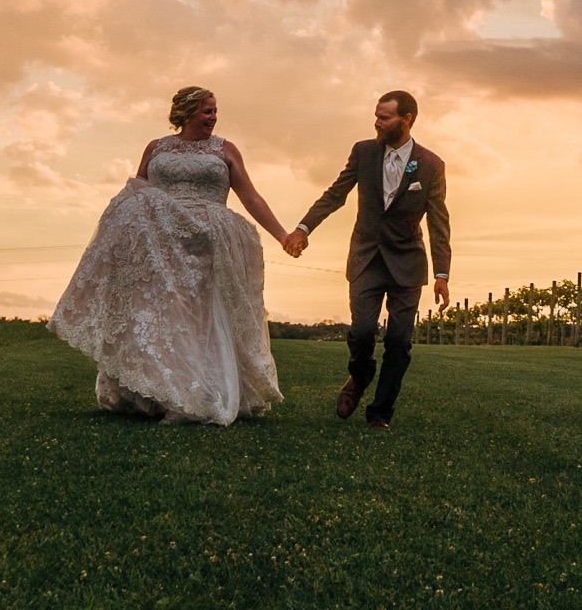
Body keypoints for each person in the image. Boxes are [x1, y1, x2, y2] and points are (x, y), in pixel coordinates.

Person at [49, 86, 289, 424]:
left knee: (200, 316)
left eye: (215, 111)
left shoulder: (225, 150)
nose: (214, 117)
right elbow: (137, 193)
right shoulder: (156, 147)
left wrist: (282, 235)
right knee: (167, 315)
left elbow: (250, 196)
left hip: (206, 241)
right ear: (188, 112)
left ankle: (199, 392)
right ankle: (159, 392)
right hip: (161, 242)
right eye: (208, 111)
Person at [282, 90, 450, 429]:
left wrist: (442, 274)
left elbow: (438, 221)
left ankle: (380, 413)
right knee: (360, 333)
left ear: (406, 120)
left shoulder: (431, 165)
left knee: (399, 341)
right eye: (376, 115)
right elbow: (335, 194)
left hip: (407, 262)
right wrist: (303, 228)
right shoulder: (364, 152)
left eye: (384, 117)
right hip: (366, 257)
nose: (377, 122)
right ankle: (360, 376)